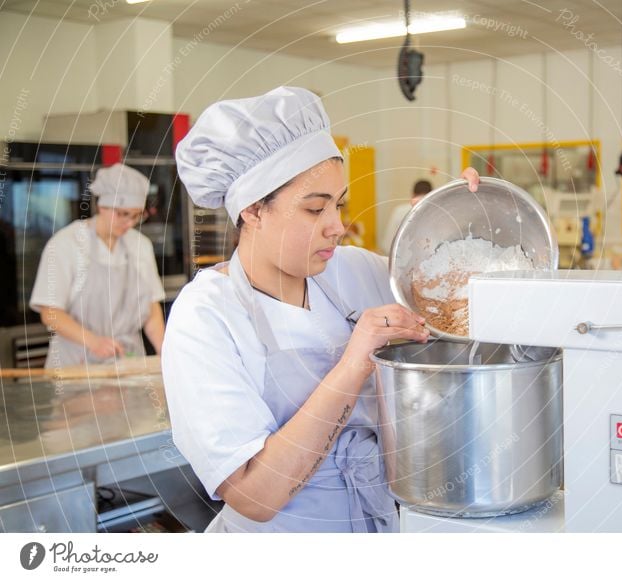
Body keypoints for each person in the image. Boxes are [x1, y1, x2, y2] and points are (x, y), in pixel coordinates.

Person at [163, 86, 480, 533]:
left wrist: (457, 220)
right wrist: (355, 362)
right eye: (315, 209)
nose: (337, 226)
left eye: (339, 204)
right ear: (253, 210)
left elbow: (464, 306)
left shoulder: (353, 272)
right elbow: (255, 495)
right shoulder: (207, 316)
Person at [30, 163, 165, 368]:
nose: (129, 222)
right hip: (77, 365)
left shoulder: (141, 246)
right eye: (122, 214)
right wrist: (94, 342)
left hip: (129, 364)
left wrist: (164, 349)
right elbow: (49, 312)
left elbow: (150, 306)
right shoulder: (66, 244)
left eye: (136, 215)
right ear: (102, 206)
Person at [379, 179, 433, 255]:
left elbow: (387, 245)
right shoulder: (436, 213)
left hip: (401, 262)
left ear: (413, 194)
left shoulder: (399, 211)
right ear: (432, 194)